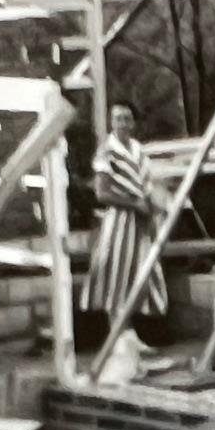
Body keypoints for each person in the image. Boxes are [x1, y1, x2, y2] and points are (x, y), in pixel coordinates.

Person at [83, 103, 172, 379]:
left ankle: (129, 335)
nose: (121, 123)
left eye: (126, 118)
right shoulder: (107, 152)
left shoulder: (137, 149)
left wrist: (157, 204)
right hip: (119, 221)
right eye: (117, 118)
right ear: (111, 122)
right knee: (115, 275)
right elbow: (102, 193)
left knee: (138, 277)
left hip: (141, 224)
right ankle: (118, 336)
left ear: (133, 123)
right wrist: (134, 204)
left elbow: (149, 185)